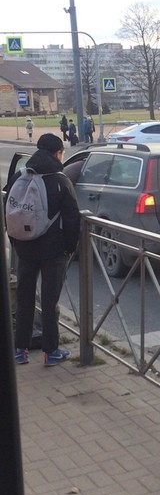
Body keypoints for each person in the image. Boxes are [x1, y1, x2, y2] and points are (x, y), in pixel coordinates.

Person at [5, 133, 80, 366]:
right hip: (53, 251)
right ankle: (50, 352)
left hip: (25, 248)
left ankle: (20, 350)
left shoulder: (21, 174)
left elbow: (10, 208)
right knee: (49, 301)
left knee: (25, 297)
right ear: (58, 153)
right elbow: (72, 219)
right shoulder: (60, 180)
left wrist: (15, 240)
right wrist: (70, 249)